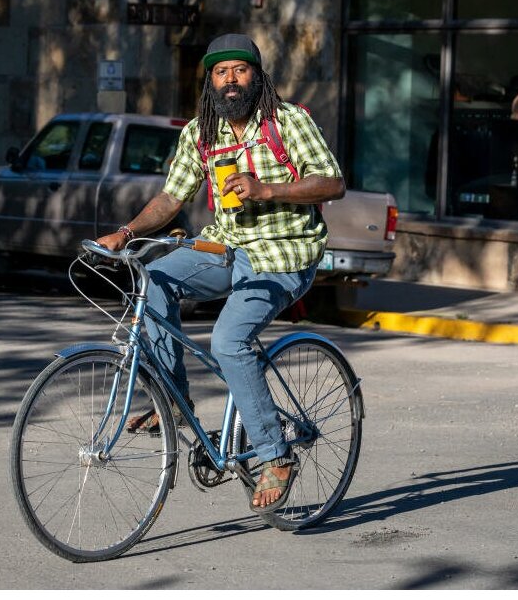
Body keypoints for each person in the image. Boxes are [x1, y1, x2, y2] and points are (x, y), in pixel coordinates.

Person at [95, 33, 345, 513]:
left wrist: (267, 190)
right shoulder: (200, 132)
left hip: (284, 254)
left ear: (257, 76)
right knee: (154, 280)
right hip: (227, 246)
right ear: (210, 81)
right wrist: (125, 233)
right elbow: (172, 197)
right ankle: (172, 399)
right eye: (221, 72)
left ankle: (275, 454)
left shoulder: (288, 121)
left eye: (240, 70)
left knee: (228, 340)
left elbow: (332, 183)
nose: (231, 80)